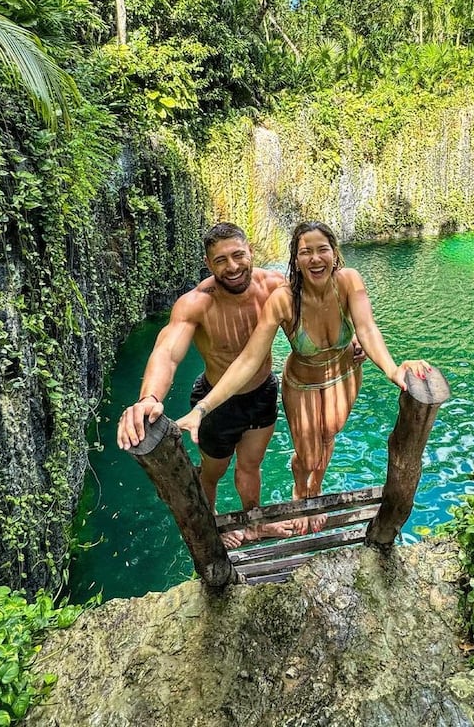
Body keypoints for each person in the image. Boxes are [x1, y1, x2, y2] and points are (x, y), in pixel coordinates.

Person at [176, 220, 431, 532]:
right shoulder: (284, 299)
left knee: (328, 436)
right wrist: (202, 408)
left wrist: (393, 370)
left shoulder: (349, 281)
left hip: (344, 375)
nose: (315, 258)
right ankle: (301, 493)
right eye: (305, 252)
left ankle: (314, 492)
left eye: (322, 249)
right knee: (308, 457)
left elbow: (366, 328)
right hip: (304, 384)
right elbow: (249, 360)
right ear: (295, 260)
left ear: (334, 253)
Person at [116, 222, 298, 547]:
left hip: (263, 393)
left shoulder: (274, 286)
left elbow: (307, 329)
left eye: (238, 255)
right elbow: (168, 352)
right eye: (221, 260)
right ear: (207, 262)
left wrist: (350, 342)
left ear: (250, 251)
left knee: (250, 466)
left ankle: (255, 522)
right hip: (216, 404)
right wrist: (149, 397)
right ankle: (209, 526)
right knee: (212, 473)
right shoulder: (197, 302)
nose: (232, 267)